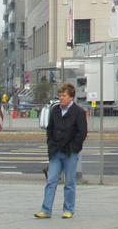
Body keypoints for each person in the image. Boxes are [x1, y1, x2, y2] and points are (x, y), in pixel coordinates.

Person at [34, 82, 87, 219]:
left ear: (71, 97)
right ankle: (46, 210)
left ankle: (68, 209)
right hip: (56, 152)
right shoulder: (55, 110)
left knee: (69, 182)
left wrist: (74, 147)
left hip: (70, 152)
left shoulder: (79, 112)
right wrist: (50, 144)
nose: (61, 98)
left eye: (63, 95)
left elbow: (82, 133)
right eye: (60, 95)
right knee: (51, 181)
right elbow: (50, 129)